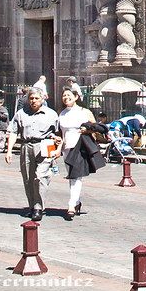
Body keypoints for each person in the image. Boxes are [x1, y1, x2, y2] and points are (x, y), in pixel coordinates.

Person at [5, 87, 59, 221]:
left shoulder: (51, 114)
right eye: (31, 98)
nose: (34, 101)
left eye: (36, 98)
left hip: (45, 145)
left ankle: (38, 207)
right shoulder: (21, 113)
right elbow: (13, 132)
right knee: (28, 178)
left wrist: (57, 145)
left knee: (40, 177)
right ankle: (32, 205)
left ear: (42, 99)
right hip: (26, 146)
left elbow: (58, 133)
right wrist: (9, 150)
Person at [54, 87, 101, 221]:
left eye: (69, 95)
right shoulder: (62, 113)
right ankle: (77, 201)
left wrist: (87, 130)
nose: (66, 98)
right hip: (67, 148)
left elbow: (95, 127)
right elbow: (61, 134)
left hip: (80, 147)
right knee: (72, 176)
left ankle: (71, 206)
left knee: (77, 177)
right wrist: (58, 148)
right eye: (64, 96)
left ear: (76, 97)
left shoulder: (84, 112)